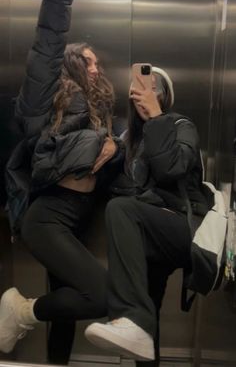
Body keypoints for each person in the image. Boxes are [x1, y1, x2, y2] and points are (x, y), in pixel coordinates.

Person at [0, 0, 124, 363]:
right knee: (102, 294)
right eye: (88, 63)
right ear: (71, 64)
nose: (96, 69)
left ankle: (56, 362)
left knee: (67, 303)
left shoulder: (95, 112)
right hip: (49, 216)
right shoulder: (48, 97)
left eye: (97, 64)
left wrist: (114, 148)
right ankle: (21, 309)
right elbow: (45, 48)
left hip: (79, 214)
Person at [85, 67, 209, 366]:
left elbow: (171, 170)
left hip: (184, 228)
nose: (144, 95)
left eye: (153, 89)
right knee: (146, 317)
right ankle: (137, 328)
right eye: (138, 88)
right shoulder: (131, 139)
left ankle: (131, 316)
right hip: (150, 238)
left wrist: (156, 117)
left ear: (164, 96)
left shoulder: (181, 125)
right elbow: (118, 186)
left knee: (121, 209)